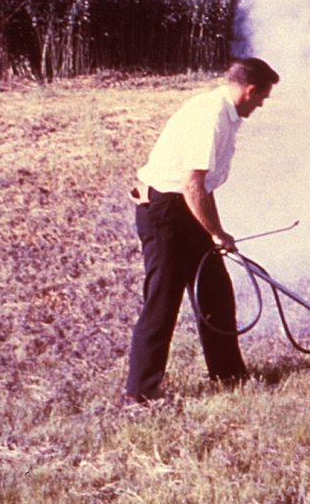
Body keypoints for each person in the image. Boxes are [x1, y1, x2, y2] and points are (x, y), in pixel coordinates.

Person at [125, 57, 279, 403]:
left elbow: (203, 188)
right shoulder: (210, 116)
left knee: (217, 294)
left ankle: (229, 376)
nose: (261, 105)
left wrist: (216, 231)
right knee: (162, 302)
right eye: (262, 97)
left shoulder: (225, 114)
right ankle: (139, 393)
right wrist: (216, 233)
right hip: (166, 212)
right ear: (250, 89)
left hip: (185, 207)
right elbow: (192, 184)